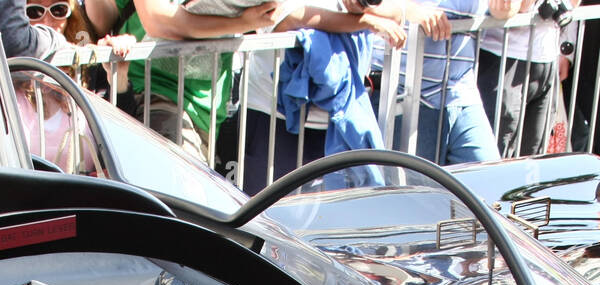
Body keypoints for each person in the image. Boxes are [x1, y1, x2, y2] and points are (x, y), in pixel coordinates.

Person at [238, 0, 409, 193]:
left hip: (336, 124)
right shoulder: (364, 19)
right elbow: (288, 17)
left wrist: (364, 8)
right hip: (273, 116)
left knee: (325, 217)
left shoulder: (362, 9)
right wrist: (366, 20)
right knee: (264, 212)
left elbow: (397, 12)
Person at [102, 0, 278, 162]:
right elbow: (158, 22)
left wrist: (256, 17)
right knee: (177, 187)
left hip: (208, 107)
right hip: (157, 95)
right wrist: (244, 22)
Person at [401, 0, 518, 167]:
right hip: (409, 96)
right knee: (416, 185)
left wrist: (505, 7)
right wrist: (409, 10)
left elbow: (506, 8)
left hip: (461, 93)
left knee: (489, 176)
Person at [476, 0, 576, 157]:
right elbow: (514, 7)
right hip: (504, 58)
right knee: (496, 155)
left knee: (533, 160)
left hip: (546, 58)